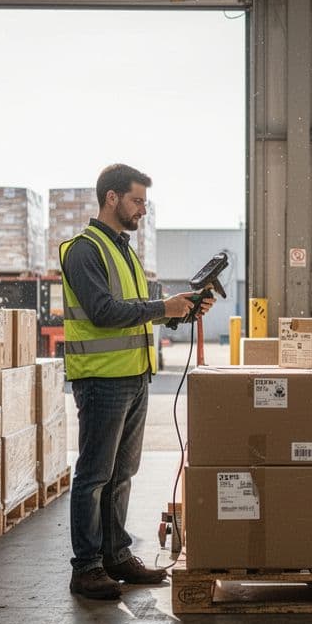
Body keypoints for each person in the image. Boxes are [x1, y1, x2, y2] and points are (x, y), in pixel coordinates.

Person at [60, 163, 215, 600]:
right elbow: (104, 312)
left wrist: (179, 308)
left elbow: (141, 306)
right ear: (112, 198)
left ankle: (115, 555)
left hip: (132, 376)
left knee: (122, 473)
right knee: (93, 476)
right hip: (102, 380)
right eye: (137, 201)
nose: (142, 210)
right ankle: (86, 567)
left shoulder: (124, 249)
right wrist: (162, 307)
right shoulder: (84, 250)